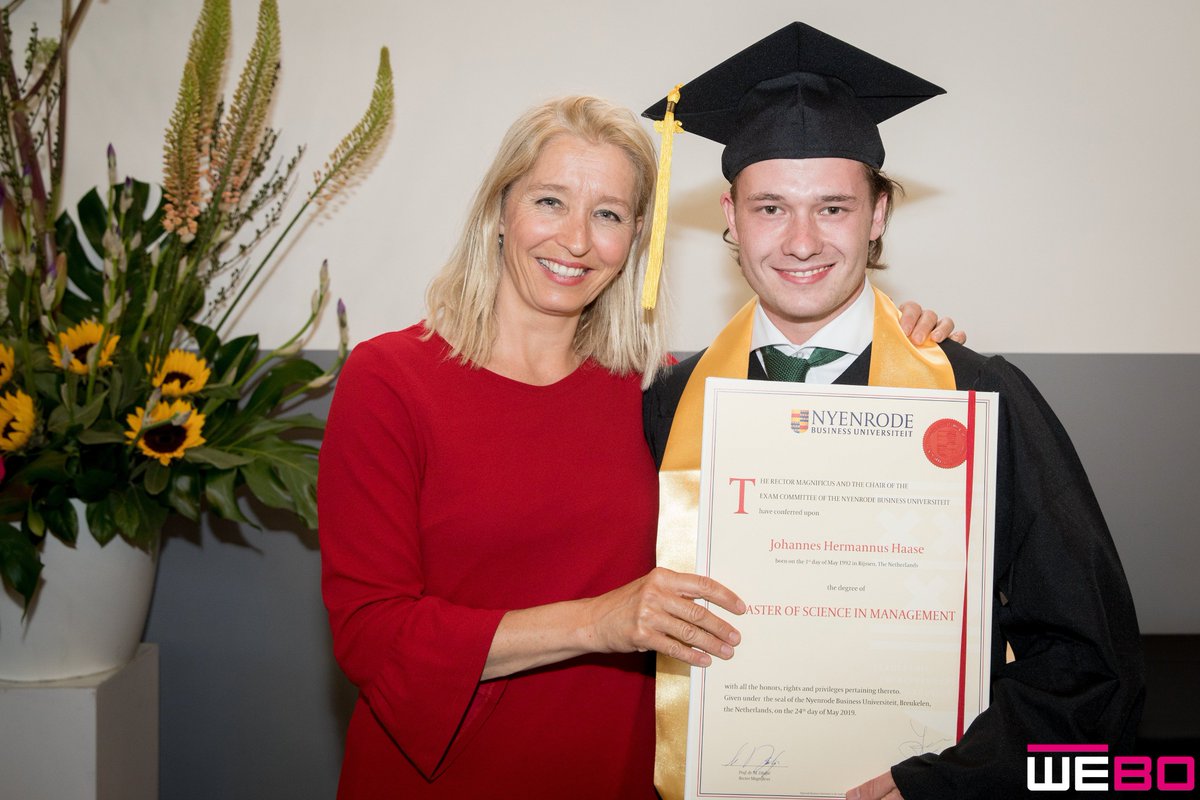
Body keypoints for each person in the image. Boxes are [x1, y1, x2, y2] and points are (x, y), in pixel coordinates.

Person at [319, 94, 956, 798]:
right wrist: (602, 620)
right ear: (500, 211)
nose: (578, 241)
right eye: (551, 201)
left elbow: (810, 511)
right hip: (446, 774)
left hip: (618, 771)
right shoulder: (391, 380)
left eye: (609, 214)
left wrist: (906, 350)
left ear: (637, 238)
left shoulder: (660, 395)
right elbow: (370, 636)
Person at [641, 22, 1144, 800]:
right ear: (730, 220)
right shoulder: (667, 408)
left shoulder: (976, 396)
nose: (801, 240)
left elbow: (1089, 666)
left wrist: (948, 785)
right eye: (771, 207)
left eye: (833, 208)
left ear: (877, 216)